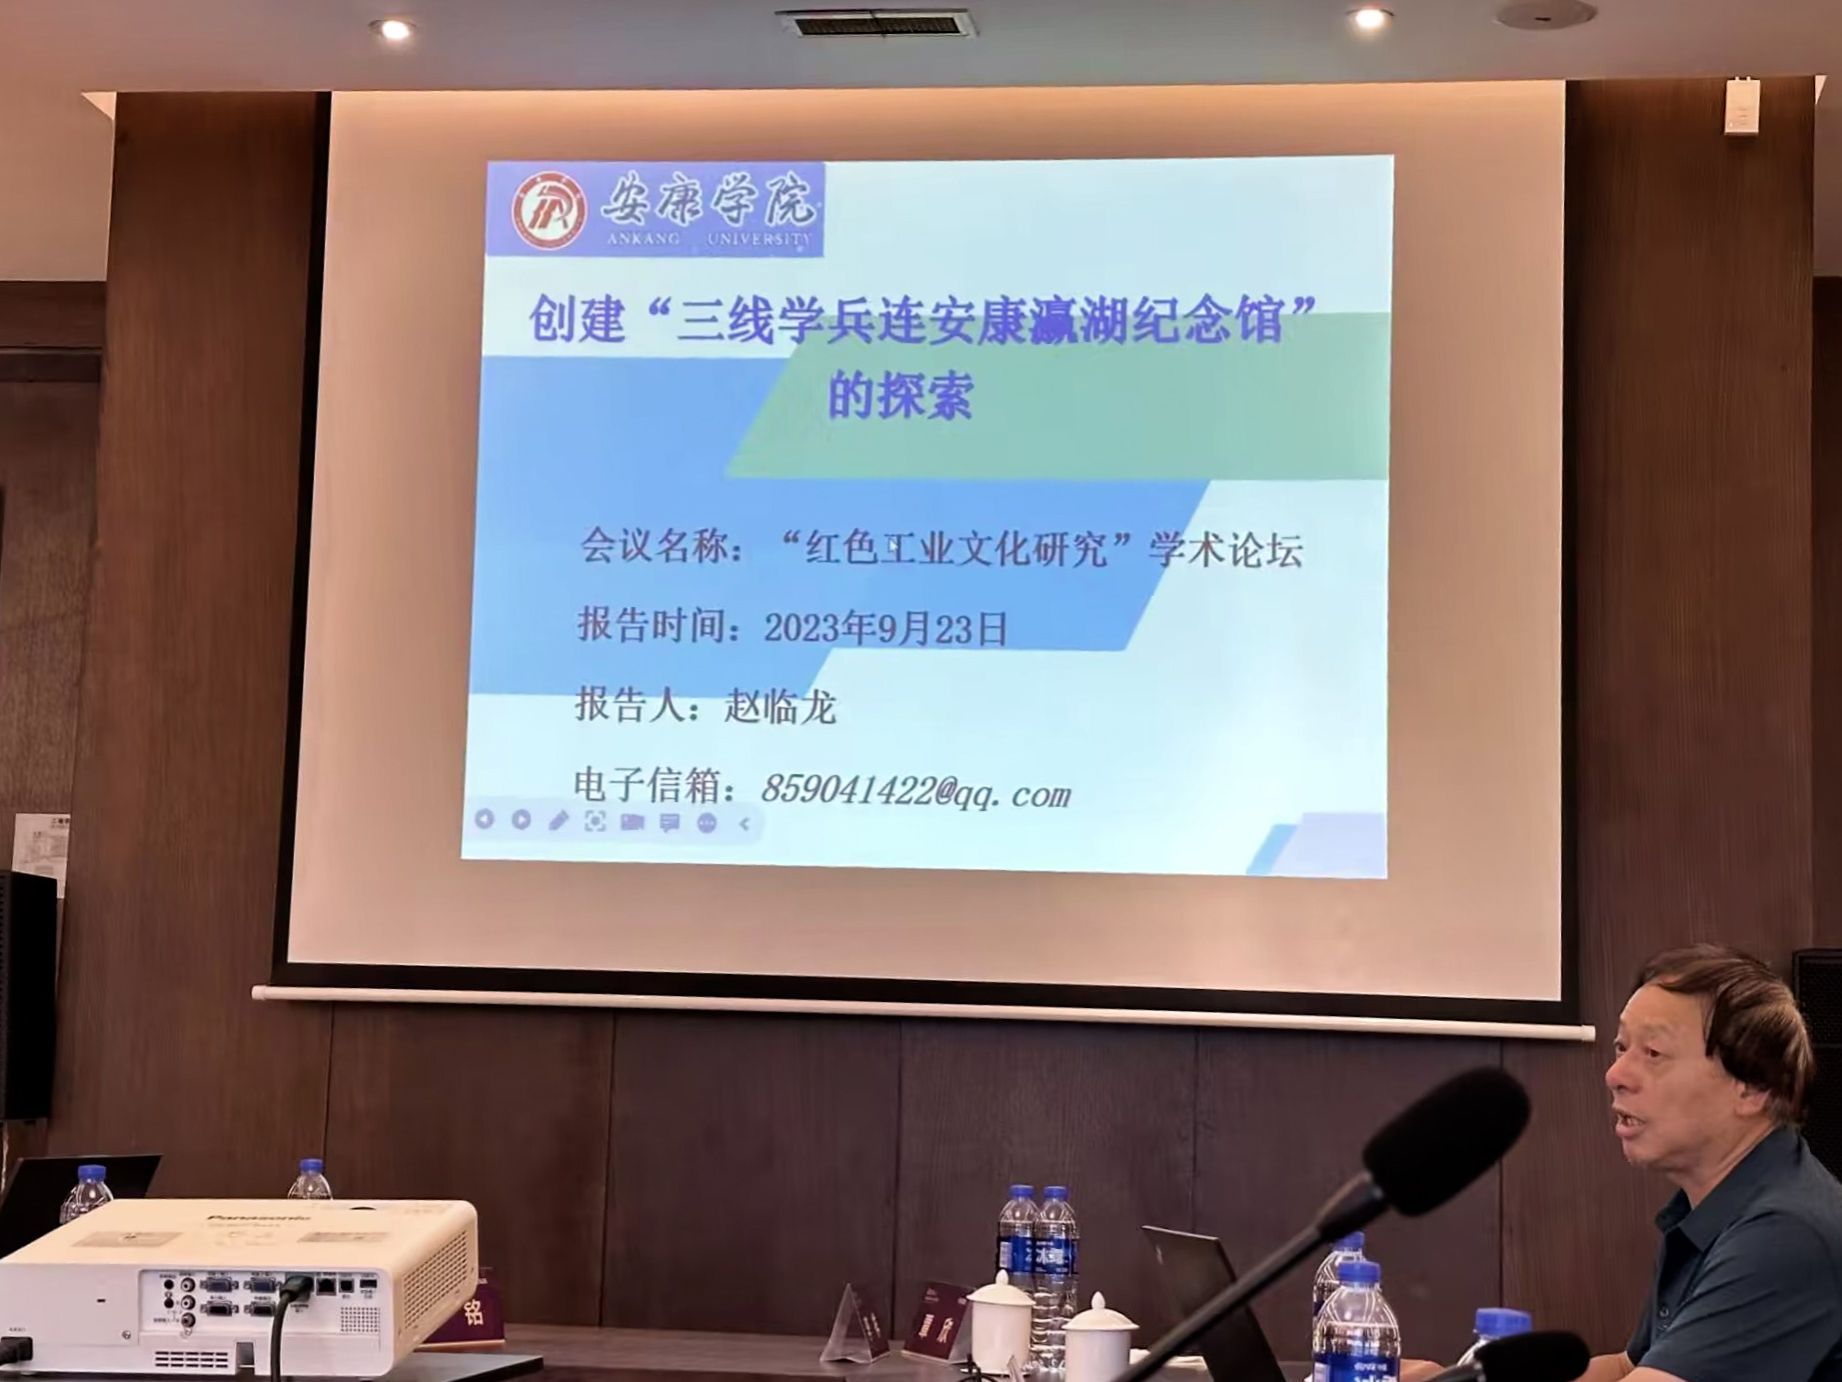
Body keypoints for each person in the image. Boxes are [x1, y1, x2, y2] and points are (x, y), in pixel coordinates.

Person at [1572, 944, 1842, 1382]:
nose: (1615, 1075)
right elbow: (1631, 1366)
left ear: (1753, 1087)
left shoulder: (1786, 1234)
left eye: (1653, 1053)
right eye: (1622, 1047)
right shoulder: (1710, 1206)